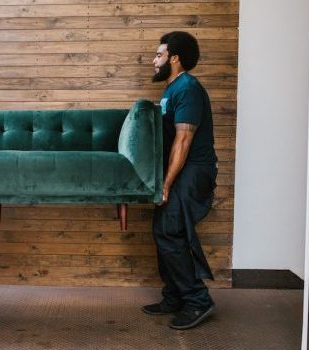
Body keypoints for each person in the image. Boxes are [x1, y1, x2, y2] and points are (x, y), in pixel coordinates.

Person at [141, 31, 218, 330]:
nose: (154, 60)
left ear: (174, 58)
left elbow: (183, 140)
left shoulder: (187, 88)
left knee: (169, 230)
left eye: (159, 55)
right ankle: (174, 296)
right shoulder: (171, 90)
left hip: (193, 170)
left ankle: (198, 300)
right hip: (180, 170)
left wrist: (166, 183)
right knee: (163, 230)